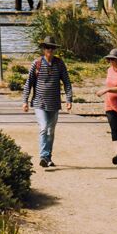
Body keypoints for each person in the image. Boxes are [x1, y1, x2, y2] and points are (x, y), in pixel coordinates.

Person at [22, 38, 73, 169]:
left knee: (51, 131)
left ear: (54, 49)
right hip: (39, 102)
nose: (49, 50)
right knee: (44, 127)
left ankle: (48, 158)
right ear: (43, 49)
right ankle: (43, 156)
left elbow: (67, 82)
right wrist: (25, 101)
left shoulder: (59, 64)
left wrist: (69, 99)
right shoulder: (37, 63)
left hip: (54, 103)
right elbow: (28, 83)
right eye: (47, 47)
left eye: (51, 47)